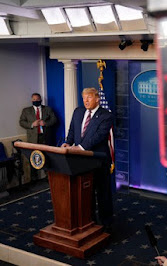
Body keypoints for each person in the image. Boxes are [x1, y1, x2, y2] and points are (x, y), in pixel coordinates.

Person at [61, 88, 114, 229]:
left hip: (99, 160)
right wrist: (68, 142)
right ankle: (90, 221)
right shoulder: (78, 111)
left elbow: (99, 136)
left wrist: (81, 147)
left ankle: (106, 224)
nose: (85, 100)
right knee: (86, 193)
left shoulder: (106, 115)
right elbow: (73, 130)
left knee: (103, 194)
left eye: (89, 97)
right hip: (81, 162)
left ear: (97, 99)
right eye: (84, 97)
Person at [19, 93, 57, 182]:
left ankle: (49, 177)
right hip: (33, 139)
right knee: (34, 158)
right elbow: (21, 122)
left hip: (45, 137)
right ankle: (34, 179)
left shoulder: (48, 109)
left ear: (41, 100)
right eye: (34, 99)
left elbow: (54, 120)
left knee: (47, 157)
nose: (36, 101)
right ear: (31, 100)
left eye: (37, 99)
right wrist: (32, 124)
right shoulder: (26, 111)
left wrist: (46, 123)